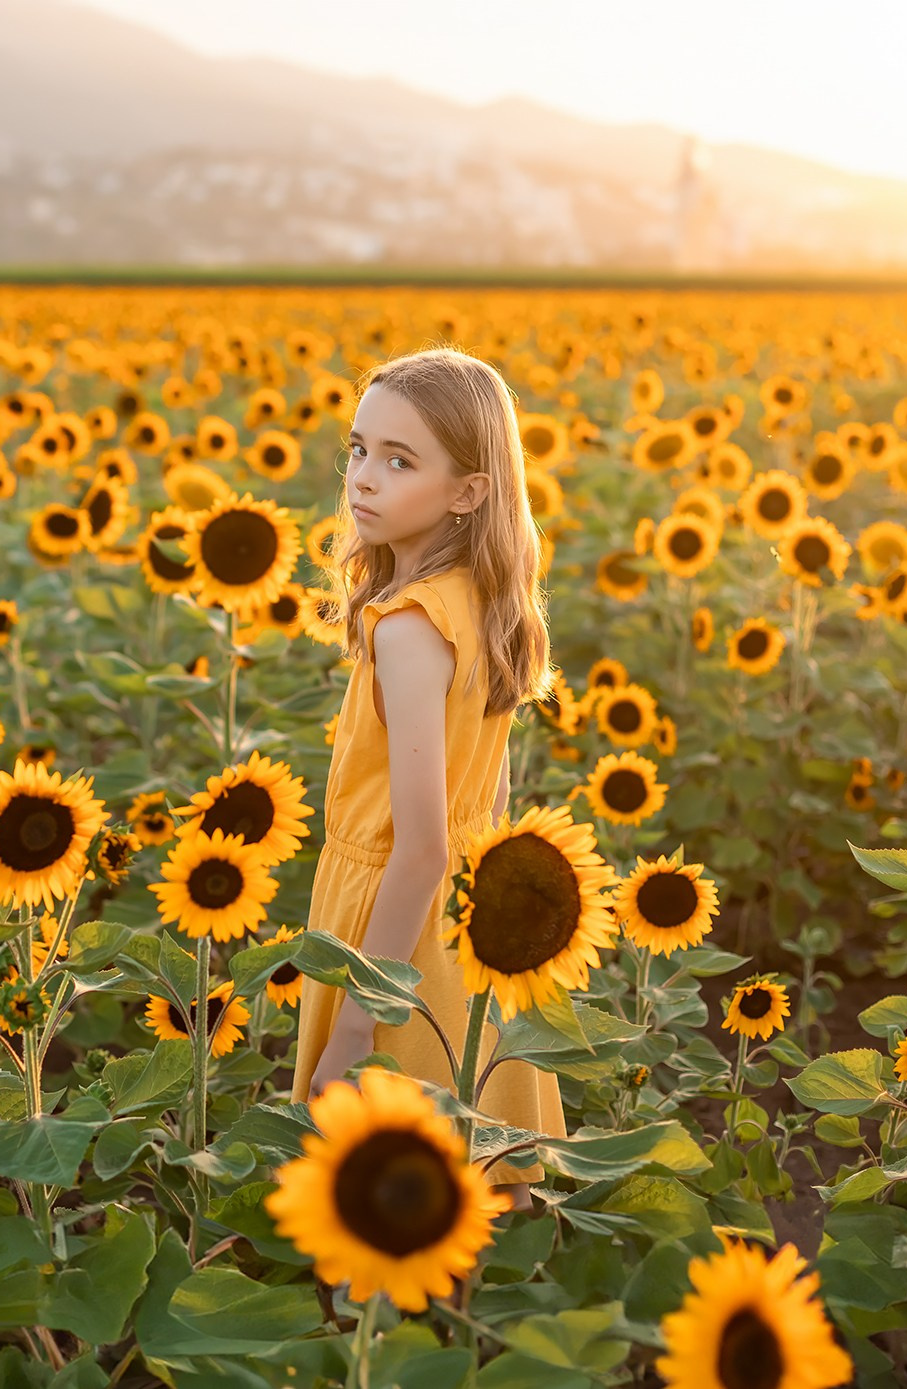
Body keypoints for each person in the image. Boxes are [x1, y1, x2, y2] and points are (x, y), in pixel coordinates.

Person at [290, 344, 565, 1216]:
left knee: (380, 1214)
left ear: (468, 491)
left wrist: (361, 1021)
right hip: (452, 940)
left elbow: (423, 843)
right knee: (472, 1196)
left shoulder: (408, 628)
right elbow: (489, 801)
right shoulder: (480, 605)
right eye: (360, 449)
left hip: (391, 935)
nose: (364, 478)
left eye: (400, 460)